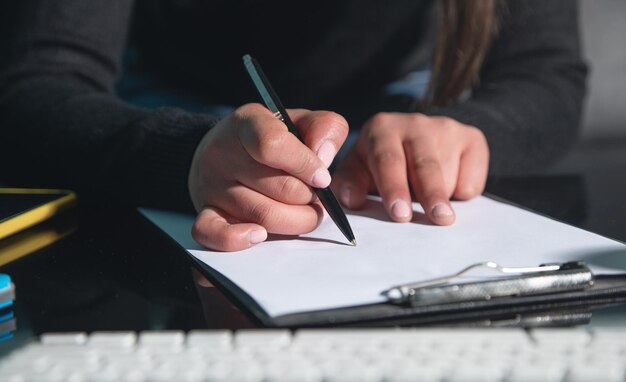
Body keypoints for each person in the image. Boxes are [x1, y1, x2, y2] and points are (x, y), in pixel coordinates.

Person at [0, 1, 587, 251]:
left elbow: (546, 74)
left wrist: (463, 129)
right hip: (158, 106)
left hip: (409, 107)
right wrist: (183, 154)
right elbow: (38, 81)